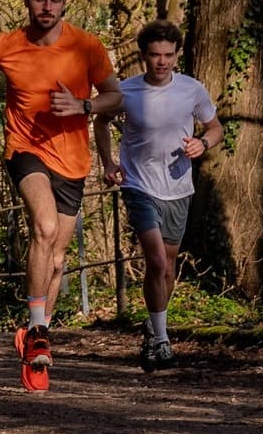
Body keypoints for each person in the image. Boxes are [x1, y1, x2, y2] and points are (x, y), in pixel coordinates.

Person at [0, 0, 122, 392]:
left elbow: (115, 95)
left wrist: (84, 107)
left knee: (56, 257)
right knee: (44, 227)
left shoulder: (86, 46)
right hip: (25, 150)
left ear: (64, 3)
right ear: (28, 2)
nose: (46, 7)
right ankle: (37, 332)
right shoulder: (6, 45)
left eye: (53, 0)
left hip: (73, 161)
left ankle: (37, 333)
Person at [94, 20, 222, 372]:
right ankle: (163, 342)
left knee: (167, 270)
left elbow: (215, 127)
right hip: (138, 184)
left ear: (177, 55)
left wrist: (203, 143)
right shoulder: (126, 91)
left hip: (179, 187)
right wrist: (107, 162)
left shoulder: (192, 90)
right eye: (154, 55)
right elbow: (101, 121)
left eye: (168, 55)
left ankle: (153, 328)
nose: (161, 62)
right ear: (144, 56)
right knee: (157, 262)